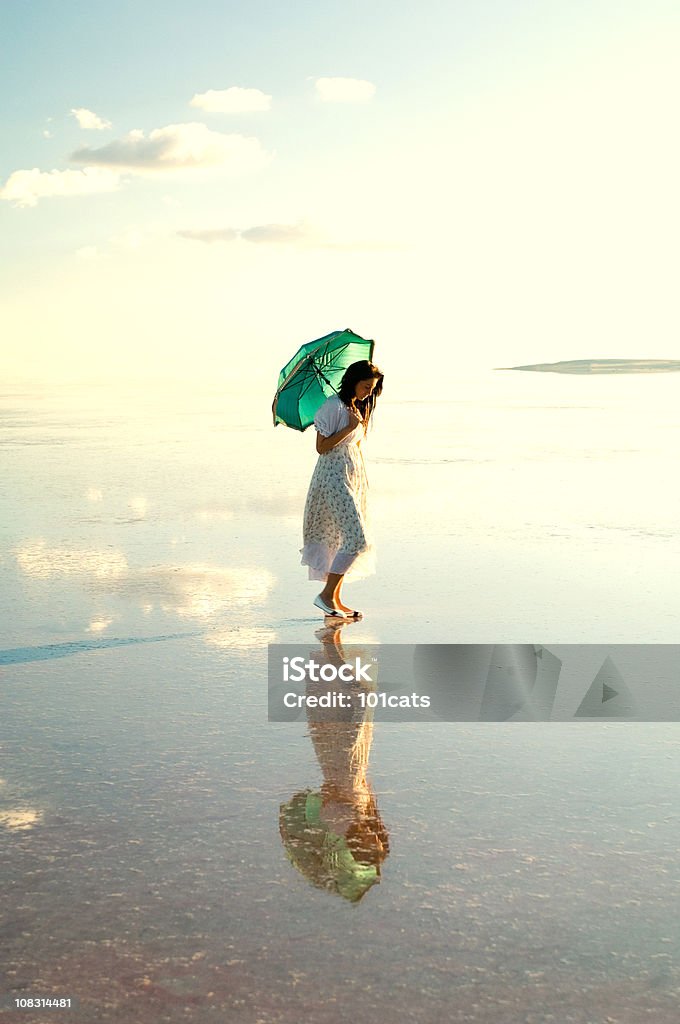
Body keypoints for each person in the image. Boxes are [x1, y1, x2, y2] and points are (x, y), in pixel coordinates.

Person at [300, 360, 384, 617]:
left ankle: (333, 600)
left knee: (341, 538)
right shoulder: (332, 407)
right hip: (333, 478)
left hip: (350, 476)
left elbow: (353, 447)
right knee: (357, 538)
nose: (369, 392)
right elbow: (322, 447)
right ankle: (326, 595)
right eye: (366, 386)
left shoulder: (353, 407)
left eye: (373, 388)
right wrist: (349, 427)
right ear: (353, 381)